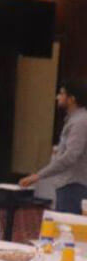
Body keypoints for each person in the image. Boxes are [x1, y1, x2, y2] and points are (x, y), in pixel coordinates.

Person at [19, 79, 87, 213]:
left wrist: (38, 176)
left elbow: (71, 156)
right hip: (67, 184)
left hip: (73, 185)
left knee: (67, 224)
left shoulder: (80, 122)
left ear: (72, 99)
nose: (58, 97)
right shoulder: (74, 120)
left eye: (62, 94)